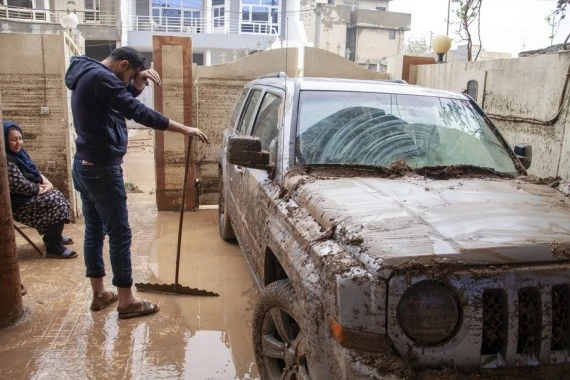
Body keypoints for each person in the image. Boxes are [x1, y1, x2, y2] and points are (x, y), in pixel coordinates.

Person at [65, 46, 209, 318]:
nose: (127, 83)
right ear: (122, 65)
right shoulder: (102, 77)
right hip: (102, 170)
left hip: (84, 164)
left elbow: (118, 100)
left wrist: (138, 83)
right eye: (130, 76)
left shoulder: (86, 73)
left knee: (95, 230)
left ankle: (99, 294)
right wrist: (184, 129)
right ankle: (126, 301)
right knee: (119, 234)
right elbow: (136, 112)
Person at [3, 120, 77, 259]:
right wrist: (41, 189)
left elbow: (35, 172)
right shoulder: (5, 160)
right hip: (16, 203)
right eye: (13, 140)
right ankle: (54, 247)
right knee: (56, 201)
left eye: (20, 138)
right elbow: (21, 186)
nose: (18, 143)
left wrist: (47, 184)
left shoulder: (20, 155)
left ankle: (52, 237)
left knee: (57, 196)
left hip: (28, 195)